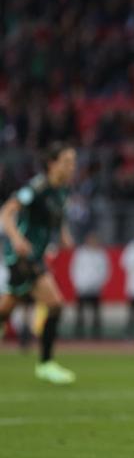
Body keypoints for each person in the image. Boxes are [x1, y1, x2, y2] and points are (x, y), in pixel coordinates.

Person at [0, 143, 77, 384]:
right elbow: (7, 211)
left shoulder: (62, 190)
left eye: (73, 162)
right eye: (66, 161)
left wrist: (63, 234)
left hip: (36, 255)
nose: (71, 167)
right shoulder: (37, 187)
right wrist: (16, 238)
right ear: (52, 163)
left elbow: (58, 216)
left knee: (7, 307)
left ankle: (46, 364)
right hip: (21, 255)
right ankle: (45, 364)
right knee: (55, 304)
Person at [70, 232, 109, 338]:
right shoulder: (80, 253)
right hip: (82, 286)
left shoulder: (101, 254)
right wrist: (78, 283)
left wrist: (99, 283)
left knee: (96, 312)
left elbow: (105, 271)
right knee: (80, 312)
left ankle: (96, 334)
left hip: (95, 287)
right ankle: (79, 333)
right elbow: (74, 269)